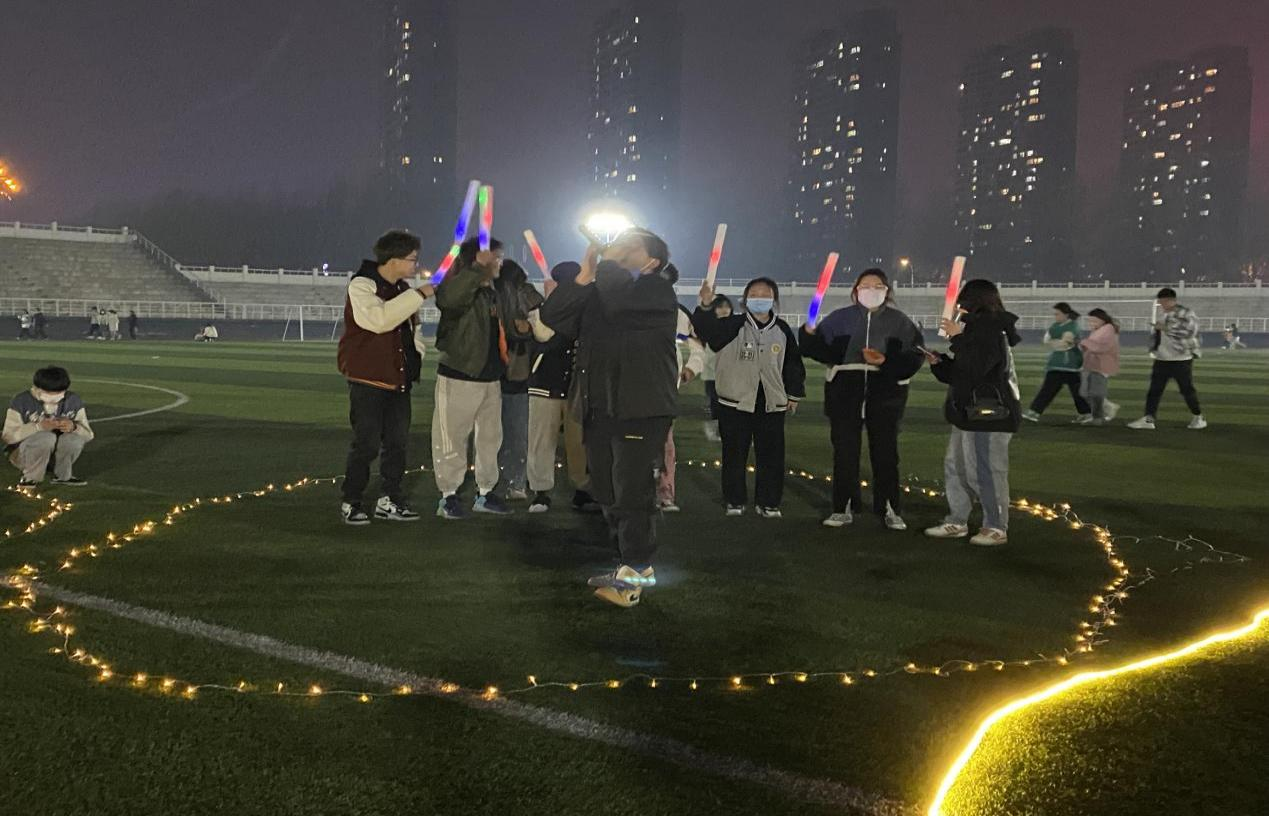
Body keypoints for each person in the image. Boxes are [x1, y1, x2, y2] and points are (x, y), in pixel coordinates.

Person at [538, 227, 679, 608]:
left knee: (632, 490)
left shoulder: (656, 290)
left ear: (652, 262)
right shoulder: (604, 288)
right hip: (600, 406)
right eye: (618, 243)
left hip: (640, 406)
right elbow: (552, 315)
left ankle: (636, 571)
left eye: (631, 245)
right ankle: (628, 564)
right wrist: (583, 276)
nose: (618, 249)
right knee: (605, 487)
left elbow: (618, 300)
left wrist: (607, 264)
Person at [799, 269, 924, 530]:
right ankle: (842, 506)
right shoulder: (839, 319)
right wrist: (808, 334)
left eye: (877, 286)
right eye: (865, 286)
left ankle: (889, 507)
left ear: (887, 291)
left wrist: (885, 361)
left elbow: (913, 359)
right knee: (845, 453)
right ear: (855, 291)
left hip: (886, 395)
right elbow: (817, 350)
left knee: (886, 455)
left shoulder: (900, 322)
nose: (871, 290)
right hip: (845, 394)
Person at [336, 229, 433, 525]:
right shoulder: (362, 285)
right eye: (412, 259)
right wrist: (419, 294)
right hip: (368, 380)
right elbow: (379, 320)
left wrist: (416, 354)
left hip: (398, 380)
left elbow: (413, 330)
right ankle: (351, 501)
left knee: (397, 444)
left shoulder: (402, 288)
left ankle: (389, 498)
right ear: (394, 259)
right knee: (366, 444)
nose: (416, 264)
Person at [694, 277, 804, 518]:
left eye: (765, 294)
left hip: (771, 403)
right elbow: (707, 332)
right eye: (754, 294)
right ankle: (734, 500)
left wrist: (793, 393)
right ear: (745, 299)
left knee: (771, 456)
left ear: (774, 299)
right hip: (735, 401)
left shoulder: (782, 329)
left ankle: (769, 502)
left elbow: (793, 363)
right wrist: (705, 305)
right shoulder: (732, 325)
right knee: (734, 454)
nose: (760, 298)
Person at [924, 279, 1021, 547]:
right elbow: (963, 374)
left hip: (990, 415)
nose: (959, 308)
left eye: (963, 302)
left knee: (986, 470)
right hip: (968, 412)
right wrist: (940, 363)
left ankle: (996, 526)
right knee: (956, 466)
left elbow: (977, 368)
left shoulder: (991, 329)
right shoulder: (977, 331)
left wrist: (958, 337)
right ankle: (957, 519)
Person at [431, 237, 512, 519]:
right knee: (451, 439)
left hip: (490, 377)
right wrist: (476, 268)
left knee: (490, 439)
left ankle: (486, 492)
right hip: (460, 374)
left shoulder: (492, 292)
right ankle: (448, 496)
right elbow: (448, 299)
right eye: (496, 257)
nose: (500, 262)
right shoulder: (459, 286)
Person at [525, 262, 596, 514]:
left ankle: (580, 488)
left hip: (574, 386)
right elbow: (546, 337)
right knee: (544, 440)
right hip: (546, 383)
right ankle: (542, 491)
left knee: (577, 442)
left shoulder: (579, 309)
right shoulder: (546, 310)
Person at [656, 265, 706, 513]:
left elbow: (697, 348)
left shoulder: (679, 314)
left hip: (666, 389)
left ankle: (665, 493)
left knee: (665, 443)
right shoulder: (628, 308)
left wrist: (690, 369)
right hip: (632, 387)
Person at [493, 259, 544, 502]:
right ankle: (516, 482)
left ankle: (492, 484)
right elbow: (537, 328)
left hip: (494, 373)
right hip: (520, 374)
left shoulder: (492, 296)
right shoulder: (527, 296)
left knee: (492, 434)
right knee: (518, 433)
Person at [1128, 287, 1206, 430]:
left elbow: (1191, 331)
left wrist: (1165, 328)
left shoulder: (1187, 313)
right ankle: (1149, 419)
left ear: (1171, 300)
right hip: (1162, 359)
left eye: (1163, 302)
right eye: (1160, 302)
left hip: (1181, 359)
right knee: (1154, 391)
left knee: (1186, 389)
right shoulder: (1164, 315)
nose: (1161, 305)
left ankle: (1198, 416)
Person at [3, 366, 94, 487]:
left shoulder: (72, 400)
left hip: (54, 456)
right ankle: (30, 478)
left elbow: (88, 435)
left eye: (58, 393)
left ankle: (63, 476)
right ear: (36, 388)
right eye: (49, 393)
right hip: (24, 454)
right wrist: (37, 427)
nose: (54, 397)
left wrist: (74, 427)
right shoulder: (21, 401)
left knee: (73, 439)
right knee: (46, 437)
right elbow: (8, 437)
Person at [1022, 302, 1091, 424]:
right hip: (1058, 363)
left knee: (1055, 389)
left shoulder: (1073, 326)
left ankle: (1034, 412)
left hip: (1069, 363)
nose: (1055, 316)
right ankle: (1086, 413)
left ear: (1066, 314)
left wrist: (1055, 343)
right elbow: (1047, 341)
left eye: (1057, 314)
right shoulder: (1055, 326)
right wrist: (1057, 343)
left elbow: (1063, 343)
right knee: (1059, 389)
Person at [1078, 308, 1121, 425]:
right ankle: (1108, 407)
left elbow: (1102, 348)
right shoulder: (1097, 330)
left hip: (1101, 365)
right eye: (1090, 321)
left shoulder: (1108, 329)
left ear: (1102, 320)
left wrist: (1085, 342)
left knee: (1096, 393)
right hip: (1089, 364)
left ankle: (1097, 418)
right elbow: (1092, 346)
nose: (1091, 323)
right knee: (1084, 393)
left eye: (1094, 321)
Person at [700, 295, 732, 442]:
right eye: (720, 307)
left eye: (727, 306)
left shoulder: (736, 326)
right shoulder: (709, 326)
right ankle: (716, 430)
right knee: (716, 402)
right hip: (712, 372)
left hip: (731, 373)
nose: (724, 310)